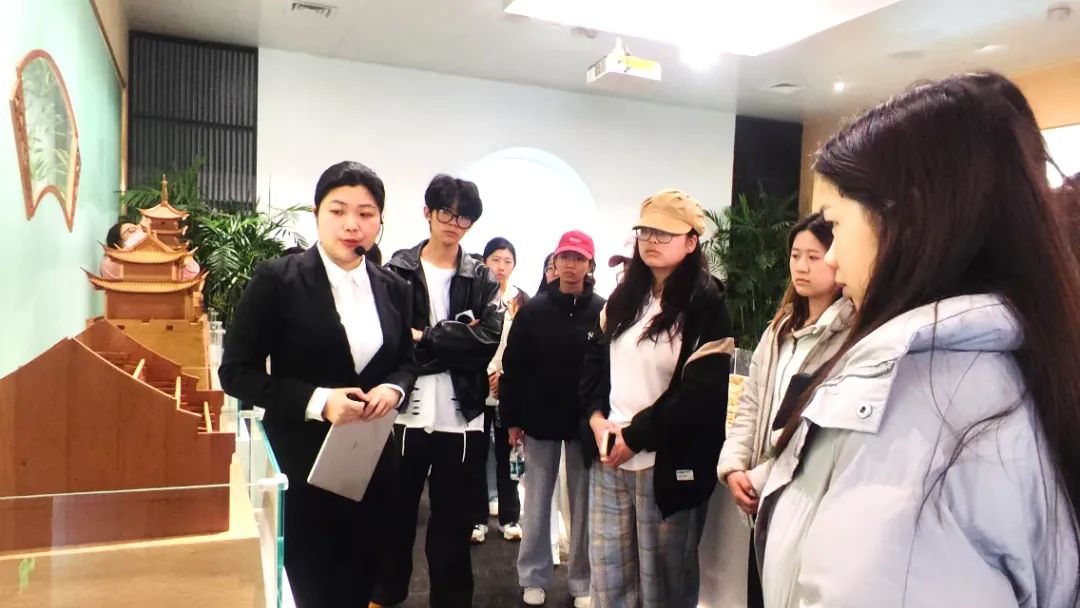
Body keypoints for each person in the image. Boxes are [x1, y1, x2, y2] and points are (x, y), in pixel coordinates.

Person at [756, 72, 1080, 607]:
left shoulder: (929, 411)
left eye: (836, 227)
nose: (830, 257)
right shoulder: (996, 373)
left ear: (905, 219)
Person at [218, 161, 416, 608]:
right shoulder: (278, 279)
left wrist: (395, 389)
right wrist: (318, 401)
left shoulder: (393, 287)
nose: (352, 224)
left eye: (366, 213)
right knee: (312, 587)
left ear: (380, 220)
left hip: (370, 462)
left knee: (361, 579)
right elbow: (236, 372)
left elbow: (406, 361)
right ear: (317, 213)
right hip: (302, 465)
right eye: (338, 210)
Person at [581, 190, 733, 608]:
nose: (651, 240)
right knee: (610, 581)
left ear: (691, 242)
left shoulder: (706, 305)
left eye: (665, 233)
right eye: (646, 231)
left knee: (664, 588)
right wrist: (595, 418)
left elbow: (699, 394)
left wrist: (636, 436)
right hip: (611, 457)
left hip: (665, 464)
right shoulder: (624, 299)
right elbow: (593, 363)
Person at [371, 174, 503, 608]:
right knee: (393, 521)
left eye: (464, 218)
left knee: (452, 530)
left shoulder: (481, 276)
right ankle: (385, 597)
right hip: (404, 413)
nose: (454, 224)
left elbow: (487, 342)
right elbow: (391, 341)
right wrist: (456, 338)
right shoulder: (398, 270)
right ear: (428, 213)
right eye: (446, 213)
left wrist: (425, 336)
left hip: (462, 417)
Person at [708, 212, 852, 608]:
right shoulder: (780, 328)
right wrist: (734, 466)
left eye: (814, 257)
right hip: (760, 492)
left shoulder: (850, 336)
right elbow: (752, 402)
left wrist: (760, 476)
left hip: (804, 494)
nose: (801, 267)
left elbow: (814, 428)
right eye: (795, 255)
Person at [499, 230, 606, 607]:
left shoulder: (603, 311)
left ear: (590, 264)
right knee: (536, 503)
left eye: (579, 258)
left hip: (584, 422)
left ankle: (582, 581)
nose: (571, 265)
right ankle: (533, 575)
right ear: (555, 262)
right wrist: (512, 418)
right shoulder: (533, 310)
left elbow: (606, 370)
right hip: (539, 418)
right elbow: (513, 366)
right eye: (565, 257)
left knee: (584, 506)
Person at [470, 237, 528, 544]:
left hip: (509, 387)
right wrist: (486, 374)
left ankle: (510, 517)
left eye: (507, 261)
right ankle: (477, 518)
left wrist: (505, 377)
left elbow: (526, 348)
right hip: (478, 386)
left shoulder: (522, 301)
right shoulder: (474, 296)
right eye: (495, 259)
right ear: (484, 261)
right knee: (476, 455)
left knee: (509, 454)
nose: (501, 267)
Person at [100, 221, 200, 280]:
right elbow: (108, 268)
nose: (140, 232)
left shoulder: (159, 257)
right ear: (118, 244)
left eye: (140, 230)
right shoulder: (111, 263)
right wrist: (139, 238)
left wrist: (162, 246)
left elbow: (193, 271)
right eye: (132, 230)